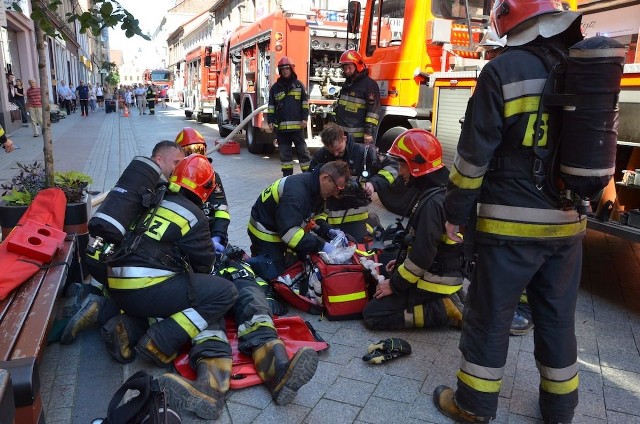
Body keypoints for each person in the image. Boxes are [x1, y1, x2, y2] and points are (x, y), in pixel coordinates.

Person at [432, 2, 586, 423]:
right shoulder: (578, 66)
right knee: (556, 319)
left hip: (510, 225)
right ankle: (561, 410)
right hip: (568, 224)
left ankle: (474, 405)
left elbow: (472, 158)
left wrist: (456, 210)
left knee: (490, 316)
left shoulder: (503, 71)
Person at [106, 154, 239, 419]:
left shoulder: (152, 197)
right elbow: (204, 267)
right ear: (205, 188)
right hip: (143, 288)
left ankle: (126, 327)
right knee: (224, 292)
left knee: (170, 293)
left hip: (116, 285)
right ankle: (160, 341)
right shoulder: (195, 215)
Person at [160, 250, 319, 419]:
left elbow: (262, 284)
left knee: (256, 311)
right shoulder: (186, 260)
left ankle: (280, 372)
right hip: (206, 292)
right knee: (206, 323)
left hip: (240, 285)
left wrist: (270, 298)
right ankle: (208, 390)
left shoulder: (237, 260)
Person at [60, 141, 186, 345]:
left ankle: (90, 296)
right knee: (155, 303)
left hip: (96, 256)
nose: (177, 168)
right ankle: (103, 309)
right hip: (118, 267)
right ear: (159, 159)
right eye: (175, 162)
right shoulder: (159, 188)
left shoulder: (134, 181)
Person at [361, 129, 465, 330]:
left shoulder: (433, 202)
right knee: (381, 265)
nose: (399, 172)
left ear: (417, 166)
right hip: (435, 270)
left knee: (373, 315)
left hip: (435, 279)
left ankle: (444, 309)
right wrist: (399, 263)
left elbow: (423, 255)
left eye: (402, 165)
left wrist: (394, 285)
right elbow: (422, 243)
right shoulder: (435, 190)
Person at [248, 160, 351, 274]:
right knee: (277, 277)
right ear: (325, 178)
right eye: (336, 188)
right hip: (265, 234)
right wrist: (321, 245)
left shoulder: (316, 188)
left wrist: (328, 230)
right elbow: (290, 234)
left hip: (282, 228)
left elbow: (316, 216)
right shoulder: (296, 193)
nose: (335, 193)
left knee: (301, 265)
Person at [309, 123, 398, 242]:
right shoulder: (321, 156)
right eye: (331, 151)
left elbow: (394, 166)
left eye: (338, 149)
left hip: (357, 220)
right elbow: (312, 182)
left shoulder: (365, 153)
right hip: (329, 222)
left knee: (358, 251)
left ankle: (372, 221)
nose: (335, 154)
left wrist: (373, 183)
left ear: (344, 138)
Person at [175, 127, 231, 253]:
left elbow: (222, 210)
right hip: (186, 239)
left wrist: (218, 237)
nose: (195, 156)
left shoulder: (212, 176)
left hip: (211, 234)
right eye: (189, 151)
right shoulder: (174, 177)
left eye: (199, 150)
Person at [267, 57, 312, 177]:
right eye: (282, 69)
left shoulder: (299, 85)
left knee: (303, 153)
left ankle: (307, 176)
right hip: (281, 129)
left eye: (287, 68)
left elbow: (304, 103)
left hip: (297, 128)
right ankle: (287, 178)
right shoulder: (275, 88)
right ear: (280, 71)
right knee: (285, 156)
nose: (285, 71)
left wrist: (304, 118)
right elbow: (271, 106)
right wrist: (270, 121)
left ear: (291, 69)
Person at [332, 50, 381, 144]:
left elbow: (373, 112)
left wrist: (368, 133)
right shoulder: (347, 84)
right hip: (342, 135)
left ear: (358, 66)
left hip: (358, 138)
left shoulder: (369, 85)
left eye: (349, 68)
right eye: (345, 68)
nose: (347, 71)